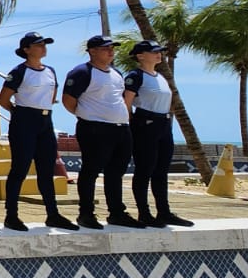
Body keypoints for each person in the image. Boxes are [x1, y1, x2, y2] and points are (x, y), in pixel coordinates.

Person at [0, 31, 76, 232]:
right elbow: (4, 99)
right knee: (20, 168)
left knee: (46, 169)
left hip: (45, 121)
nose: (43, 48)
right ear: (26, 49)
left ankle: (53, 213)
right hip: (24, 120)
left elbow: (51, 96)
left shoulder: (50, 70)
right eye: (38, 45)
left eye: (44, 44)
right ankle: (11, 215)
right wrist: (18, 113)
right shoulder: (19, 71)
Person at [61, 35, 140, 229]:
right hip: (95, 128)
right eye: (106, 48)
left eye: (112, 48)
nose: (111, 51)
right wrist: (88, 115)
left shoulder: (116, 73)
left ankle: (116, 212)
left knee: (116, 172)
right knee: (91, 170)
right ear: (92, 51)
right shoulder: (81, 72)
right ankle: (86, 214)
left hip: (121, 129)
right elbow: (68, 100)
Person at [124, 40, 195, 228]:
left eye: (159, 51)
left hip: (163, 125)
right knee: (144, 169)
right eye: (154, 52)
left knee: (161, 171)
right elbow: (126, 103)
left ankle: (164, 212)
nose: (159, 54)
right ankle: (144, 213)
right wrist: (132, 125)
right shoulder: (135, 76)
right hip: (145, 124)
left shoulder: (160, 76)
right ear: (140, 56)